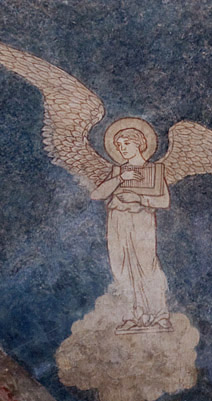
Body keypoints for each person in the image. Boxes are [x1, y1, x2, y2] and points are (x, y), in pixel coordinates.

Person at [90, 126, 173, 333]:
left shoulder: (154, 171)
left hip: (141, 222)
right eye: (119, 145)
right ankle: (131, 316)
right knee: (121, 268)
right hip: (117, 222)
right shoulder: (118, 172)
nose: (122, 148)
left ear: (140, 144)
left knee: (147, 266)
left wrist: (139, 198)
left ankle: (159, 315)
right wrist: (121, 178)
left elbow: (164, 201)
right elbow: (97, 194)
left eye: (127, 143)